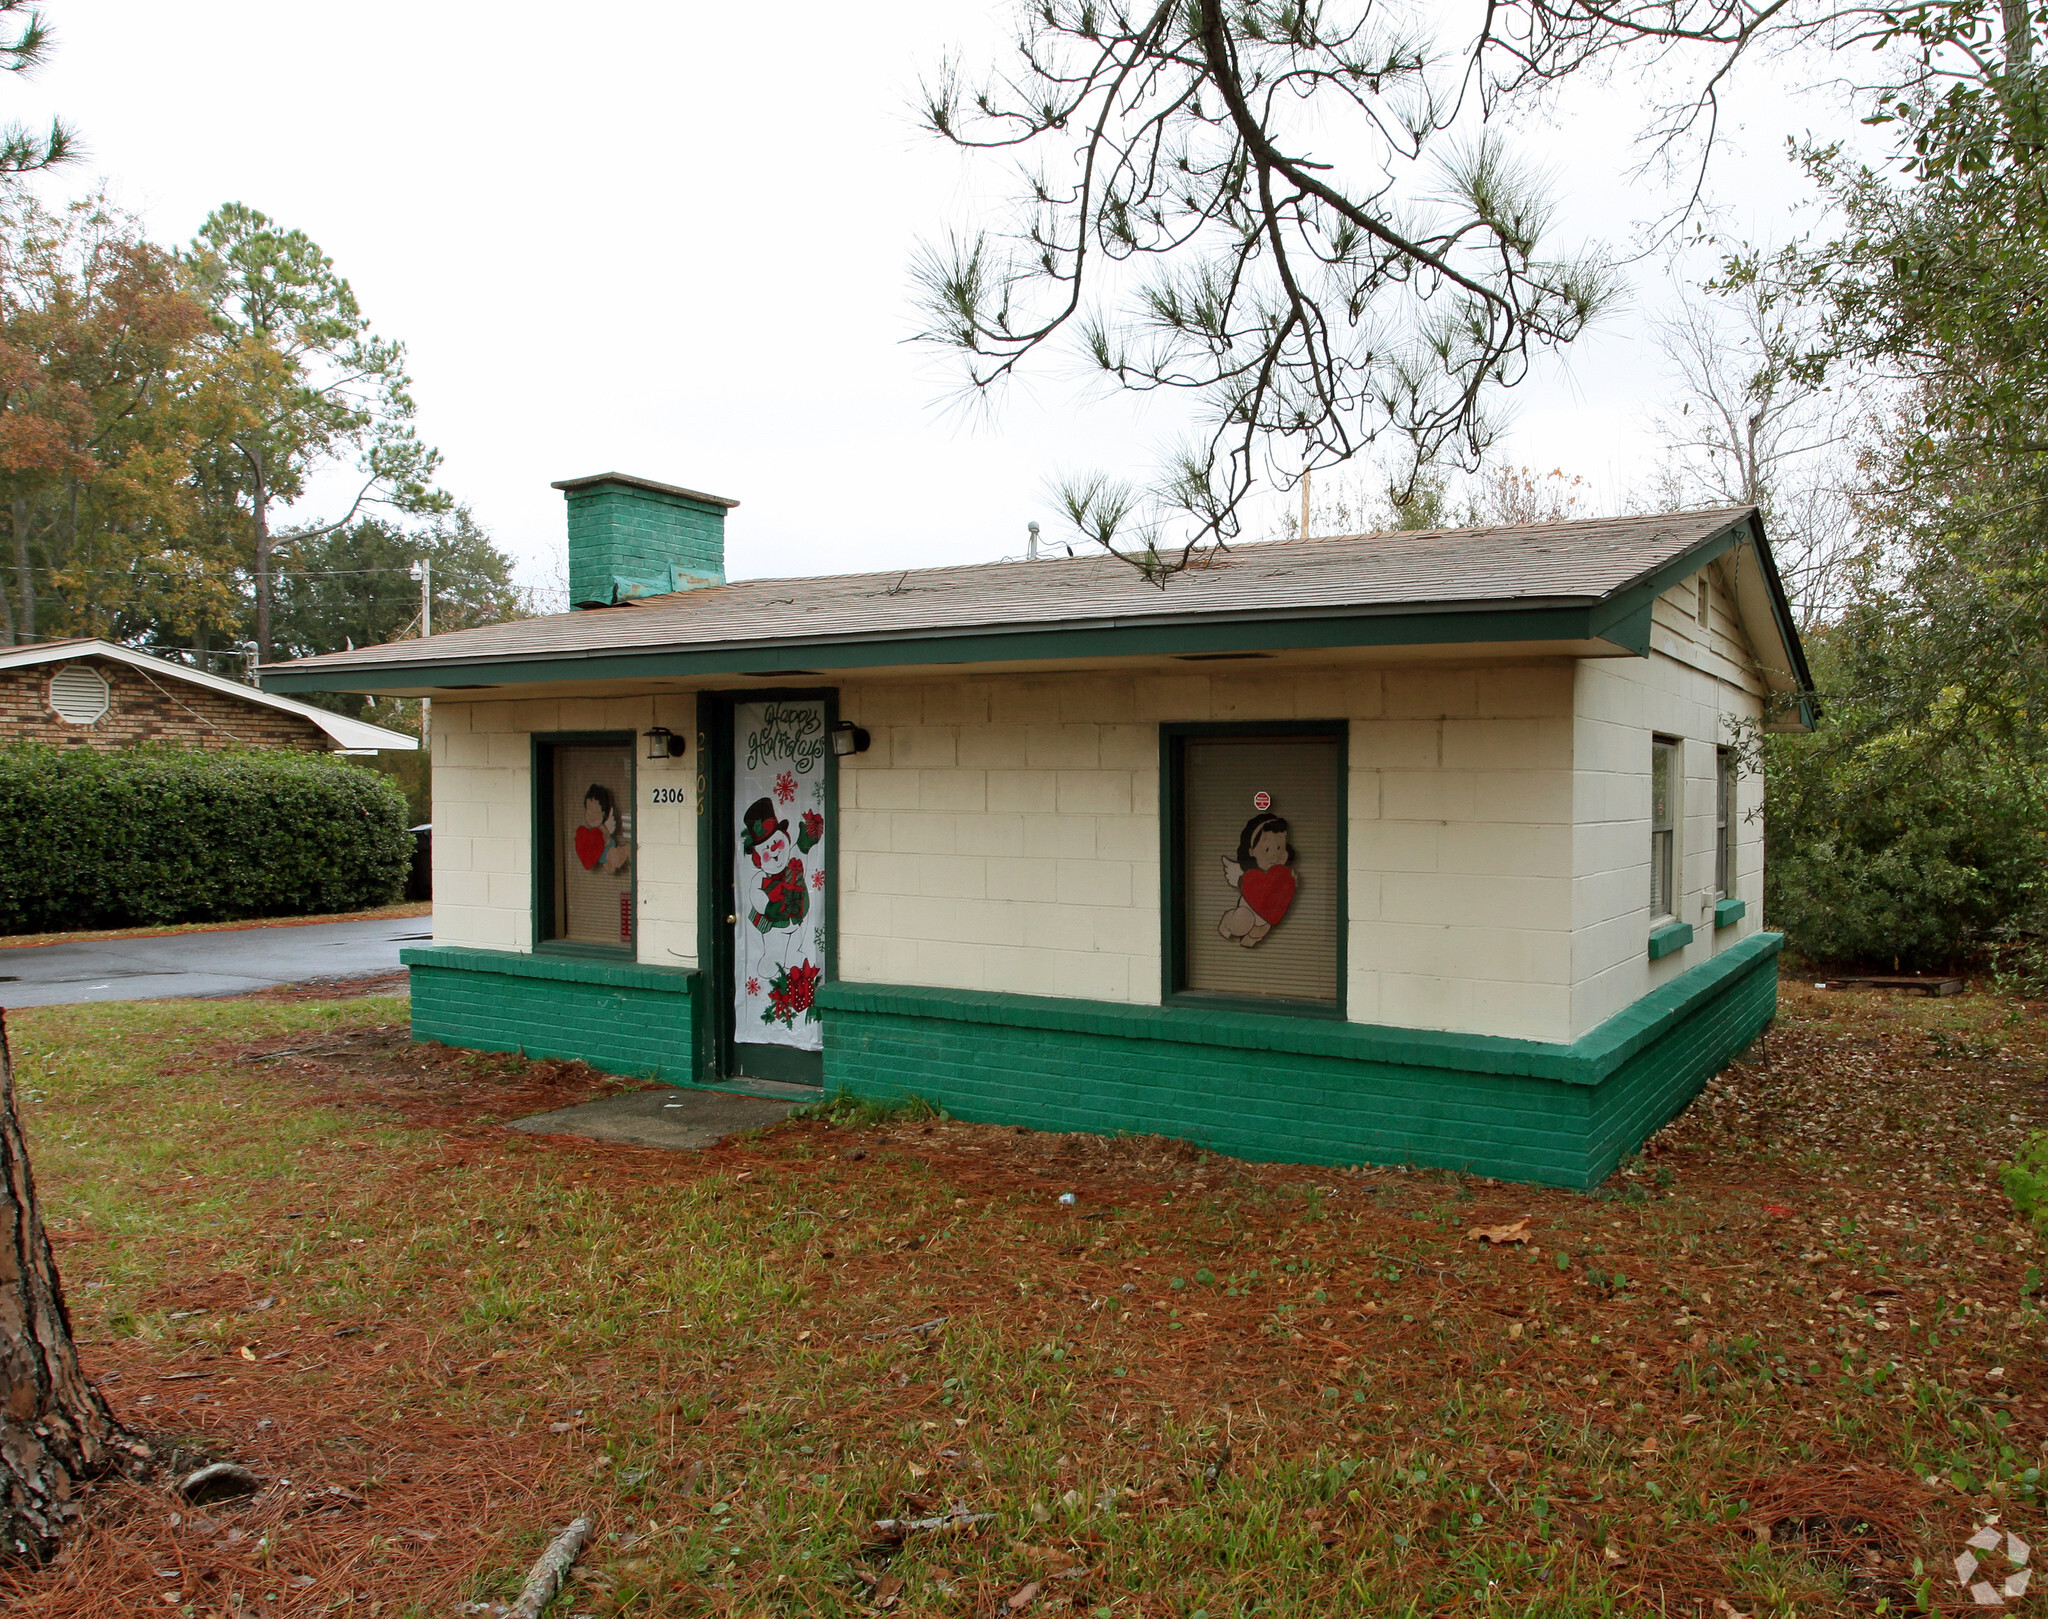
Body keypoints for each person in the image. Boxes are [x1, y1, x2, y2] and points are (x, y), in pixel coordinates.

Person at [1218, 810, 1295, 947]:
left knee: (1260, 930)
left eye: (1279, 848)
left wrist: (1290, 882)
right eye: (1267, 849)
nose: (1275, 857)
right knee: (1242, 922)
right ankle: (1227, 922)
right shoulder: (1249, 874)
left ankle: (1249, 944)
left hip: (1266, 915)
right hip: (1248, 909)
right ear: (1251, 851)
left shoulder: (1282, 875)